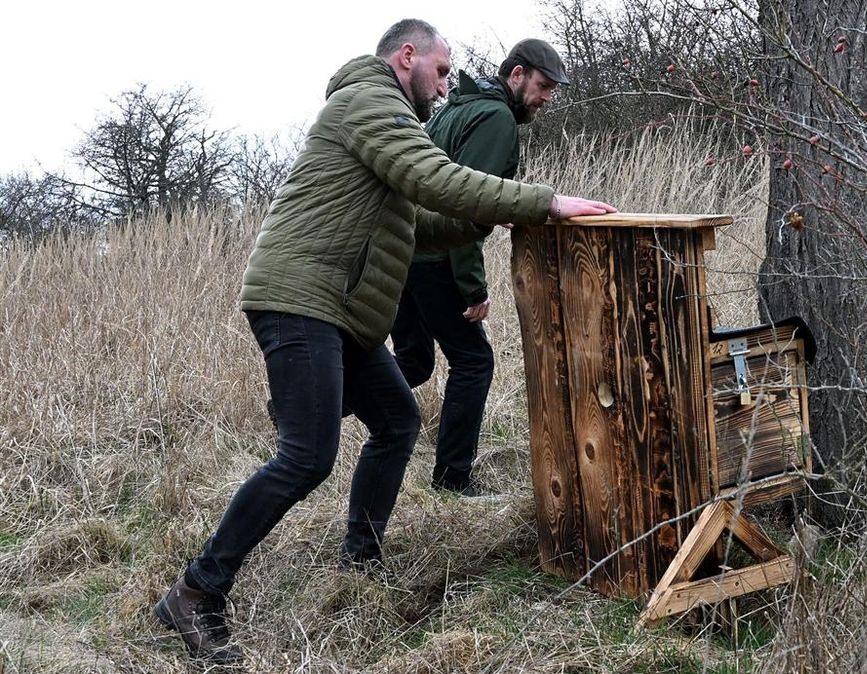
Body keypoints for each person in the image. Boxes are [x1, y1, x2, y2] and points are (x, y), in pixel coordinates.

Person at [153, 19, 614, 664]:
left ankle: (360, 560)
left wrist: (495, 219)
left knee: (398, 421)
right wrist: (544, 202)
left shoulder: (388, 118)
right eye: (444, 70)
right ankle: (196, 593)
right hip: (302, 300)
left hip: (340, 311)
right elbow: (434, 179)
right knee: (307, 457)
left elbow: (417, 225)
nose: (448, 84)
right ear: (408, 57)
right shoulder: (370, 102)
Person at [392, 38, 567, 496]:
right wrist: (472, 287)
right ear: (516, 75)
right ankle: (452, 480)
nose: (546, 98)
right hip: (436, 260)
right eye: (543, 86)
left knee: (413, 361)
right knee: (474, 361)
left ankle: (307, 405)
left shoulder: (458, 106)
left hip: (406, 253)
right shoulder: (495, 118)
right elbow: (469, 203)